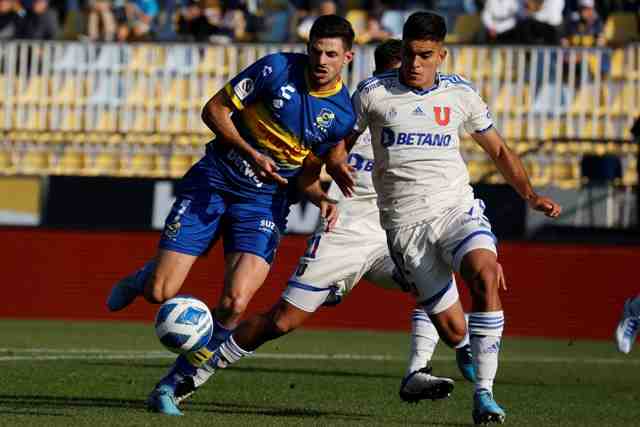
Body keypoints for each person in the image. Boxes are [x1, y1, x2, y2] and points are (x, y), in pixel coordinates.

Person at [145, 39, 481, 416]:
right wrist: (323, 197)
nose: (406, 82)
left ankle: (421, 369)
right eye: (396, 75)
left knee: (436, 273)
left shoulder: (425, 119)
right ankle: (183, 379)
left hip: (393, 235)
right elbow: (306, 176)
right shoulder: (347, 119)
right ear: (381, 75)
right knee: (281, 321)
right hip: (346, 233)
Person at [106, 14, 356, 412]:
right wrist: (249, 152)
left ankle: (172, 385)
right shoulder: (276, 68)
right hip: (216, 180)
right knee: (160, 292)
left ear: (347, 57)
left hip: (264, 203)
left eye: (330, 54)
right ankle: (143, 278)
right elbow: (214, 110)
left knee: (236, 302)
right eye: (315, 50)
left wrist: (321, 198)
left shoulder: (343, 115)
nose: (321, 60)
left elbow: (307, 177)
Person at [327, 11, 561, 425]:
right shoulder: (372, 93)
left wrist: (530, 195)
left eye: (425, 55)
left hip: (455, 208)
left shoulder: (460, 94)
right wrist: (334, 165)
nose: (415, 64)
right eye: (410, 55)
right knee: (455, 332)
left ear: (442, 55)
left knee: (485, 273)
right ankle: (459, 352)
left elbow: (500, 151)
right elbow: (337, 142)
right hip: (404, 225)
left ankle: (485, 397)